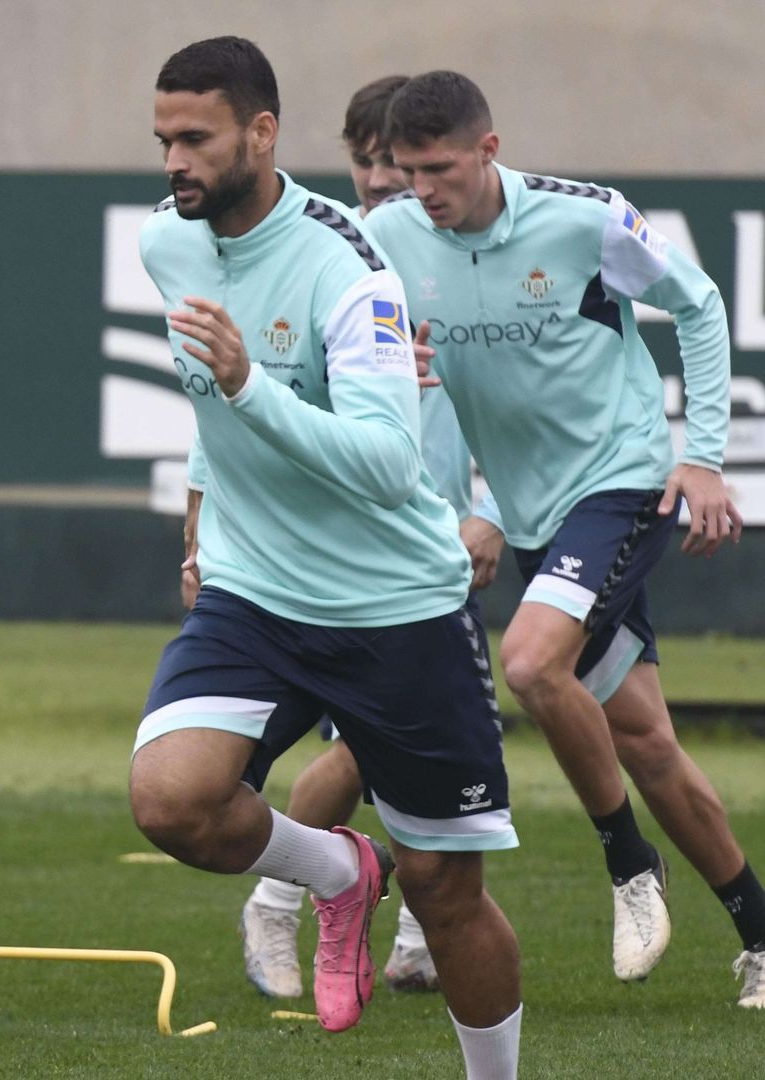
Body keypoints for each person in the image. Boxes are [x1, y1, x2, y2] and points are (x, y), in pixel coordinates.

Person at [132, 37, 520, 1077]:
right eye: (164, 137)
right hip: (255, 594)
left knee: (445, 889)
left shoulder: (350, 268)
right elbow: (212, 414)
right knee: (172, 800)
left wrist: (257, 383)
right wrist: (201, 526)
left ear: (261, 134)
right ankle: (337, 870)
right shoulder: (168, 246)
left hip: (394, 608)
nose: (175, 160)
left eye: (196, 138)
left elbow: (393, 465)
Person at [366, 70, 764, 1004]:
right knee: (648, 742)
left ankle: (630, 865)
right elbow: (353, 337)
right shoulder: (389, 237)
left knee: (534, 665)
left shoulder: (582, 222)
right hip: (533, 514)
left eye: (440, 169)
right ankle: (760, 933)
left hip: (620, 483)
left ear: (489, 150)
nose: (423, 190)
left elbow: (700, 306)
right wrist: (388, 355)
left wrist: (701, 458)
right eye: (406, 172)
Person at [235, 72, 498, 999]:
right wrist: (200, 533)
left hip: (428, 547)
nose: (397, 188)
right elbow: (236, 403)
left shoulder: (449, 263)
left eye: (410, 169)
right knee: (360, 752)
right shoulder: (328, 268)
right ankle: (277, 901)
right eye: (375, 168)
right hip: (328, 557)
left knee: (416, 749)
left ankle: (419, 928)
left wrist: (488, 512)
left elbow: (499, 400)